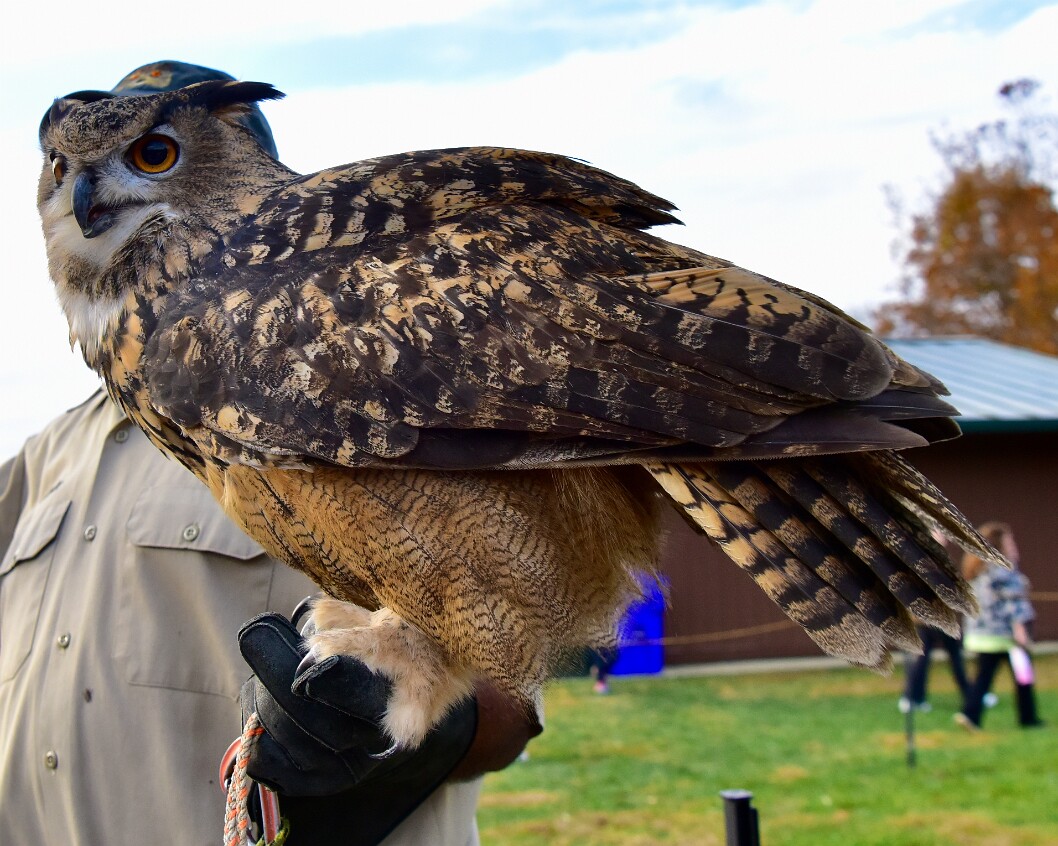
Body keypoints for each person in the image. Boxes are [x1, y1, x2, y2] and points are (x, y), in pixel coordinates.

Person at [0, 63, 537, 846]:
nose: (96, 195)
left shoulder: (360, 388)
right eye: (68, 168)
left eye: (153, 156)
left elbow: (513, 693)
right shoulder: (50, 453)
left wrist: (393, 723)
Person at [955, 522, 1044, 731]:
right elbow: (1014, 604)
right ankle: (1028, 718)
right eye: (1009, 541)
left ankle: (970, 715)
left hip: (982, 635)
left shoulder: (977, 570)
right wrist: (1020, 631)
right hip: (1006, 635)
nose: (1013, 544)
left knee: (983, 678)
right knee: (1023, 676)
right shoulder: (1004, 570)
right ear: (1000, 545)